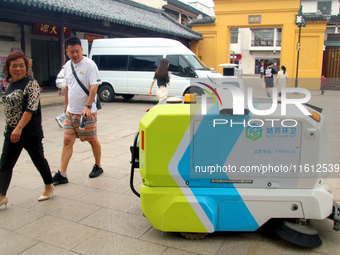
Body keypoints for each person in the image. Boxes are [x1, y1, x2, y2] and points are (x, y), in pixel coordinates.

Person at [0, 52, 54, 208]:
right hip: (12, 131)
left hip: (29, 131)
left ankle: (49, 185)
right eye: (14, 65)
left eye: (21, 65)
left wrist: (19, 128)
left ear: (27, 66)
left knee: (38, 160)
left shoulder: (31, 83)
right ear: (8, 67)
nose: (18, 69)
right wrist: (11, 129)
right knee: (5, 163)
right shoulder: (10, 85)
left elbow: (30, 108)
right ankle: (2, 195)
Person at [52, 37, 103, 185]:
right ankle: (62, 173)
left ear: (82, 50)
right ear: (67, 52)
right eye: (71, 51)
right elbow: (68, 87)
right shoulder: (67, 66)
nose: (74, 54)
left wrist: (87, 106)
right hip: (70, 112)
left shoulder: (90, 65)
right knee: (67, 141)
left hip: (86, 112)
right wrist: (66, 106)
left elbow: (94, 87)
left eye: (77, 51)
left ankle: (98, 165)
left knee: (92, 139)